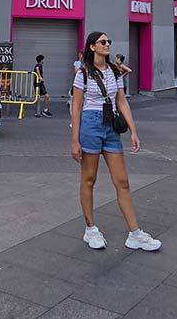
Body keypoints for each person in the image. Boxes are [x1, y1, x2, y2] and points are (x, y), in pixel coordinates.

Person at [71, 31, 160, 253]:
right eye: (103, 42)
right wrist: (75, 140)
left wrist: (133, 131)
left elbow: (122, 102)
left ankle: (135, 234)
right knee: (89, 179)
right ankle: (90, 229)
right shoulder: (82, 74)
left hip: (111, 126)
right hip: (90, 126)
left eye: (109, 41)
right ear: (92, 47)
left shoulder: (114, 71)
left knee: (122, 182)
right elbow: (76, 107)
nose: (107, 44)